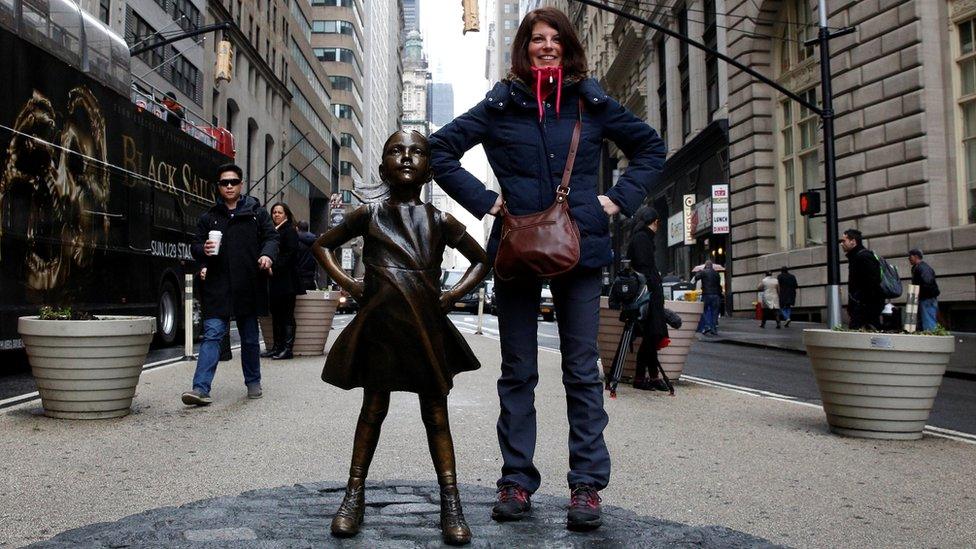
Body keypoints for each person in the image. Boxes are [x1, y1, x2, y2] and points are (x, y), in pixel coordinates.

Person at [429, 7, 666, 531]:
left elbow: (650, 147)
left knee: (581, 369)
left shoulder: (590, 101)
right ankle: (516, 481)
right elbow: (438, 149)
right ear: (525, 47)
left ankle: (585, 486)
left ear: (568, 46)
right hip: (516, 249)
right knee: (517, 370)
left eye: (556, 38)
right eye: (537, 39)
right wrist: (487, 202)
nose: (547, 46)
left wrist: (614, 200)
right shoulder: (501, 104)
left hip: (580, 250)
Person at [311, 130, 489, 545]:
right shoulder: (368, 215)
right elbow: (322, 246)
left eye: (417, 152)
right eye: (396, 151)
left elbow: (482, 262)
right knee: (372, 409)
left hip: (425, 324)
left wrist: (449, 297)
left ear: (429, 170)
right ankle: (353, 495)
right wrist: (353, 287)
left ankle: (451, 502)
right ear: (382, 167)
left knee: (436, 414)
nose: (406, 158)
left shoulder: (440, 220)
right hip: (381, 326)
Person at [181, 164, 278, 406]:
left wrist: (267, 255)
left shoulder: (256, 213)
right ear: (219, 186)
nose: (229, 186)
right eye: (225, 182)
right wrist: (202, 251)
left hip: (248, 284)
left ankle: (253, 382)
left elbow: (271, 237)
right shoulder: (209, 217)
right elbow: (195, 244)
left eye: (233, 181)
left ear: (241, 184)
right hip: (218, 285)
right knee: (212, 334)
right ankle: (200, 388)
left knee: (249, 338)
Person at [626, 206, 670, 392]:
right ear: (653, 221)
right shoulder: (642, 239)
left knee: (653, 335)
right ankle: (641, 377)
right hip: (649, 295)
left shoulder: (641, 238)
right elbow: (645, 269)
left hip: (649, 294)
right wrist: (654, 288)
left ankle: (652, 376)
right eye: (657, 222)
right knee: (652, 335)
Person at [260, 202, 305, 360]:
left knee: (286, 314)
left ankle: (287, 349)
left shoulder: (290, 231)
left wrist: (274, 267)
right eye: (274, 212)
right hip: (274, 281)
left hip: (287, 280)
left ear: (286, 214)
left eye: (279, 212)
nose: (276, 215)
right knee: (276, 314)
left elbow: (290, 254)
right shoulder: (273, 231)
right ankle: (276, 347)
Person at [841, 228, 883, 330]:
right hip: (862, 305)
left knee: (857, 334)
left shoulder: (864, 257)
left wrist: (859, 303)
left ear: (853, 241)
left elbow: (873, 282)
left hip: (865, 306)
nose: (841, 244)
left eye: (844, 241)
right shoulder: (856, 257)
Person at [909, 249, 940, 331]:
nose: (909, 259)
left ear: (916, 256)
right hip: (924, 297)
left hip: (926, 298)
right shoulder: (917, 268)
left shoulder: (923, 268)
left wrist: (920, 294)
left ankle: (931, 339)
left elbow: (928, 282)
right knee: (925, 320)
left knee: (928, 320)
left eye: (910, 256)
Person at [693, 261, 722, 335]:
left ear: (706, 266)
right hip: (716, 295)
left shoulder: (703, 272)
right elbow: (719, 285)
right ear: (712, 266)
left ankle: (707, 325)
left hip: (706, 295)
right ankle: (713, 329)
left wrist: (699, 272)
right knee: (715, 313)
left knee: (702, 311)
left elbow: (696, 278)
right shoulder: (717, 274)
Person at [296, 220, 318, 291]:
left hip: (298, 277)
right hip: (310, 277)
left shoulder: (295, 241)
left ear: (297, 228)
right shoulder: (315, 241)